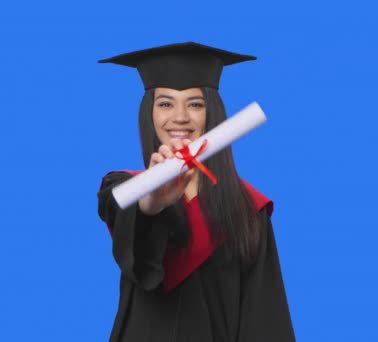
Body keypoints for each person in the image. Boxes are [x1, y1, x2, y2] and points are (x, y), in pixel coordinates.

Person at [97, 42, 295, 342]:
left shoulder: (247, 208)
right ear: (149, 114)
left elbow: (263, 315)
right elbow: (133, 242)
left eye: (195, 104)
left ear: (212, 113)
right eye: (165, 103)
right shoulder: (124, 188)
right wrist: (153, 202)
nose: (180, 117)